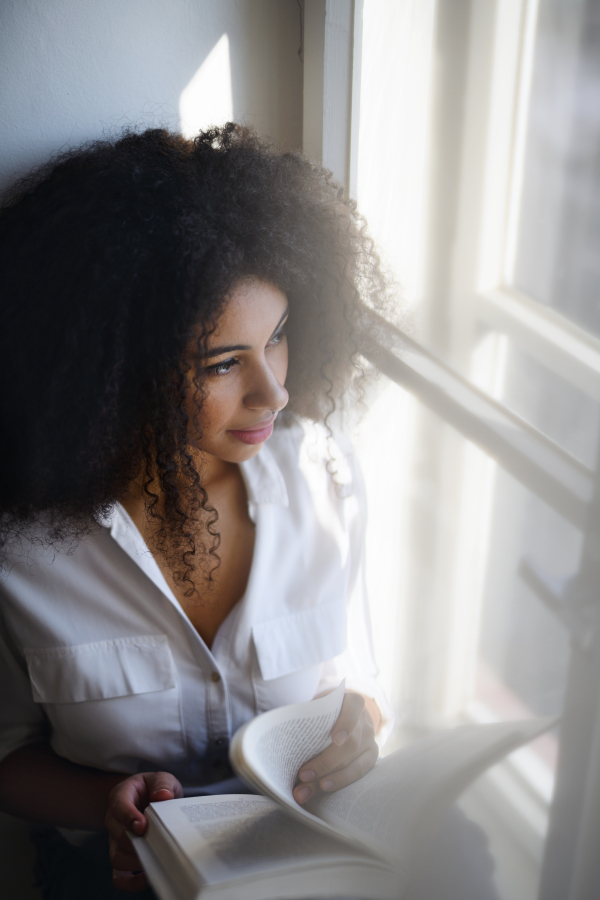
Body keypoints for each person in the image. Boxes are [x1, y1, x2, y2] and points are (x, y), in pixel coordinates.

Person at [0, 125, 393, 898]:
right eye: (221, 364)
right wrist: (102, 808)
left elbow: (358, 684)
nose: (275, 392)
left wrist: (359, 729)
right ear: (113, 371)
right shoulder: (20, 546)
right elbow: (6, 751)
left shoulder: (323, 473)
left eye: (277, 338)